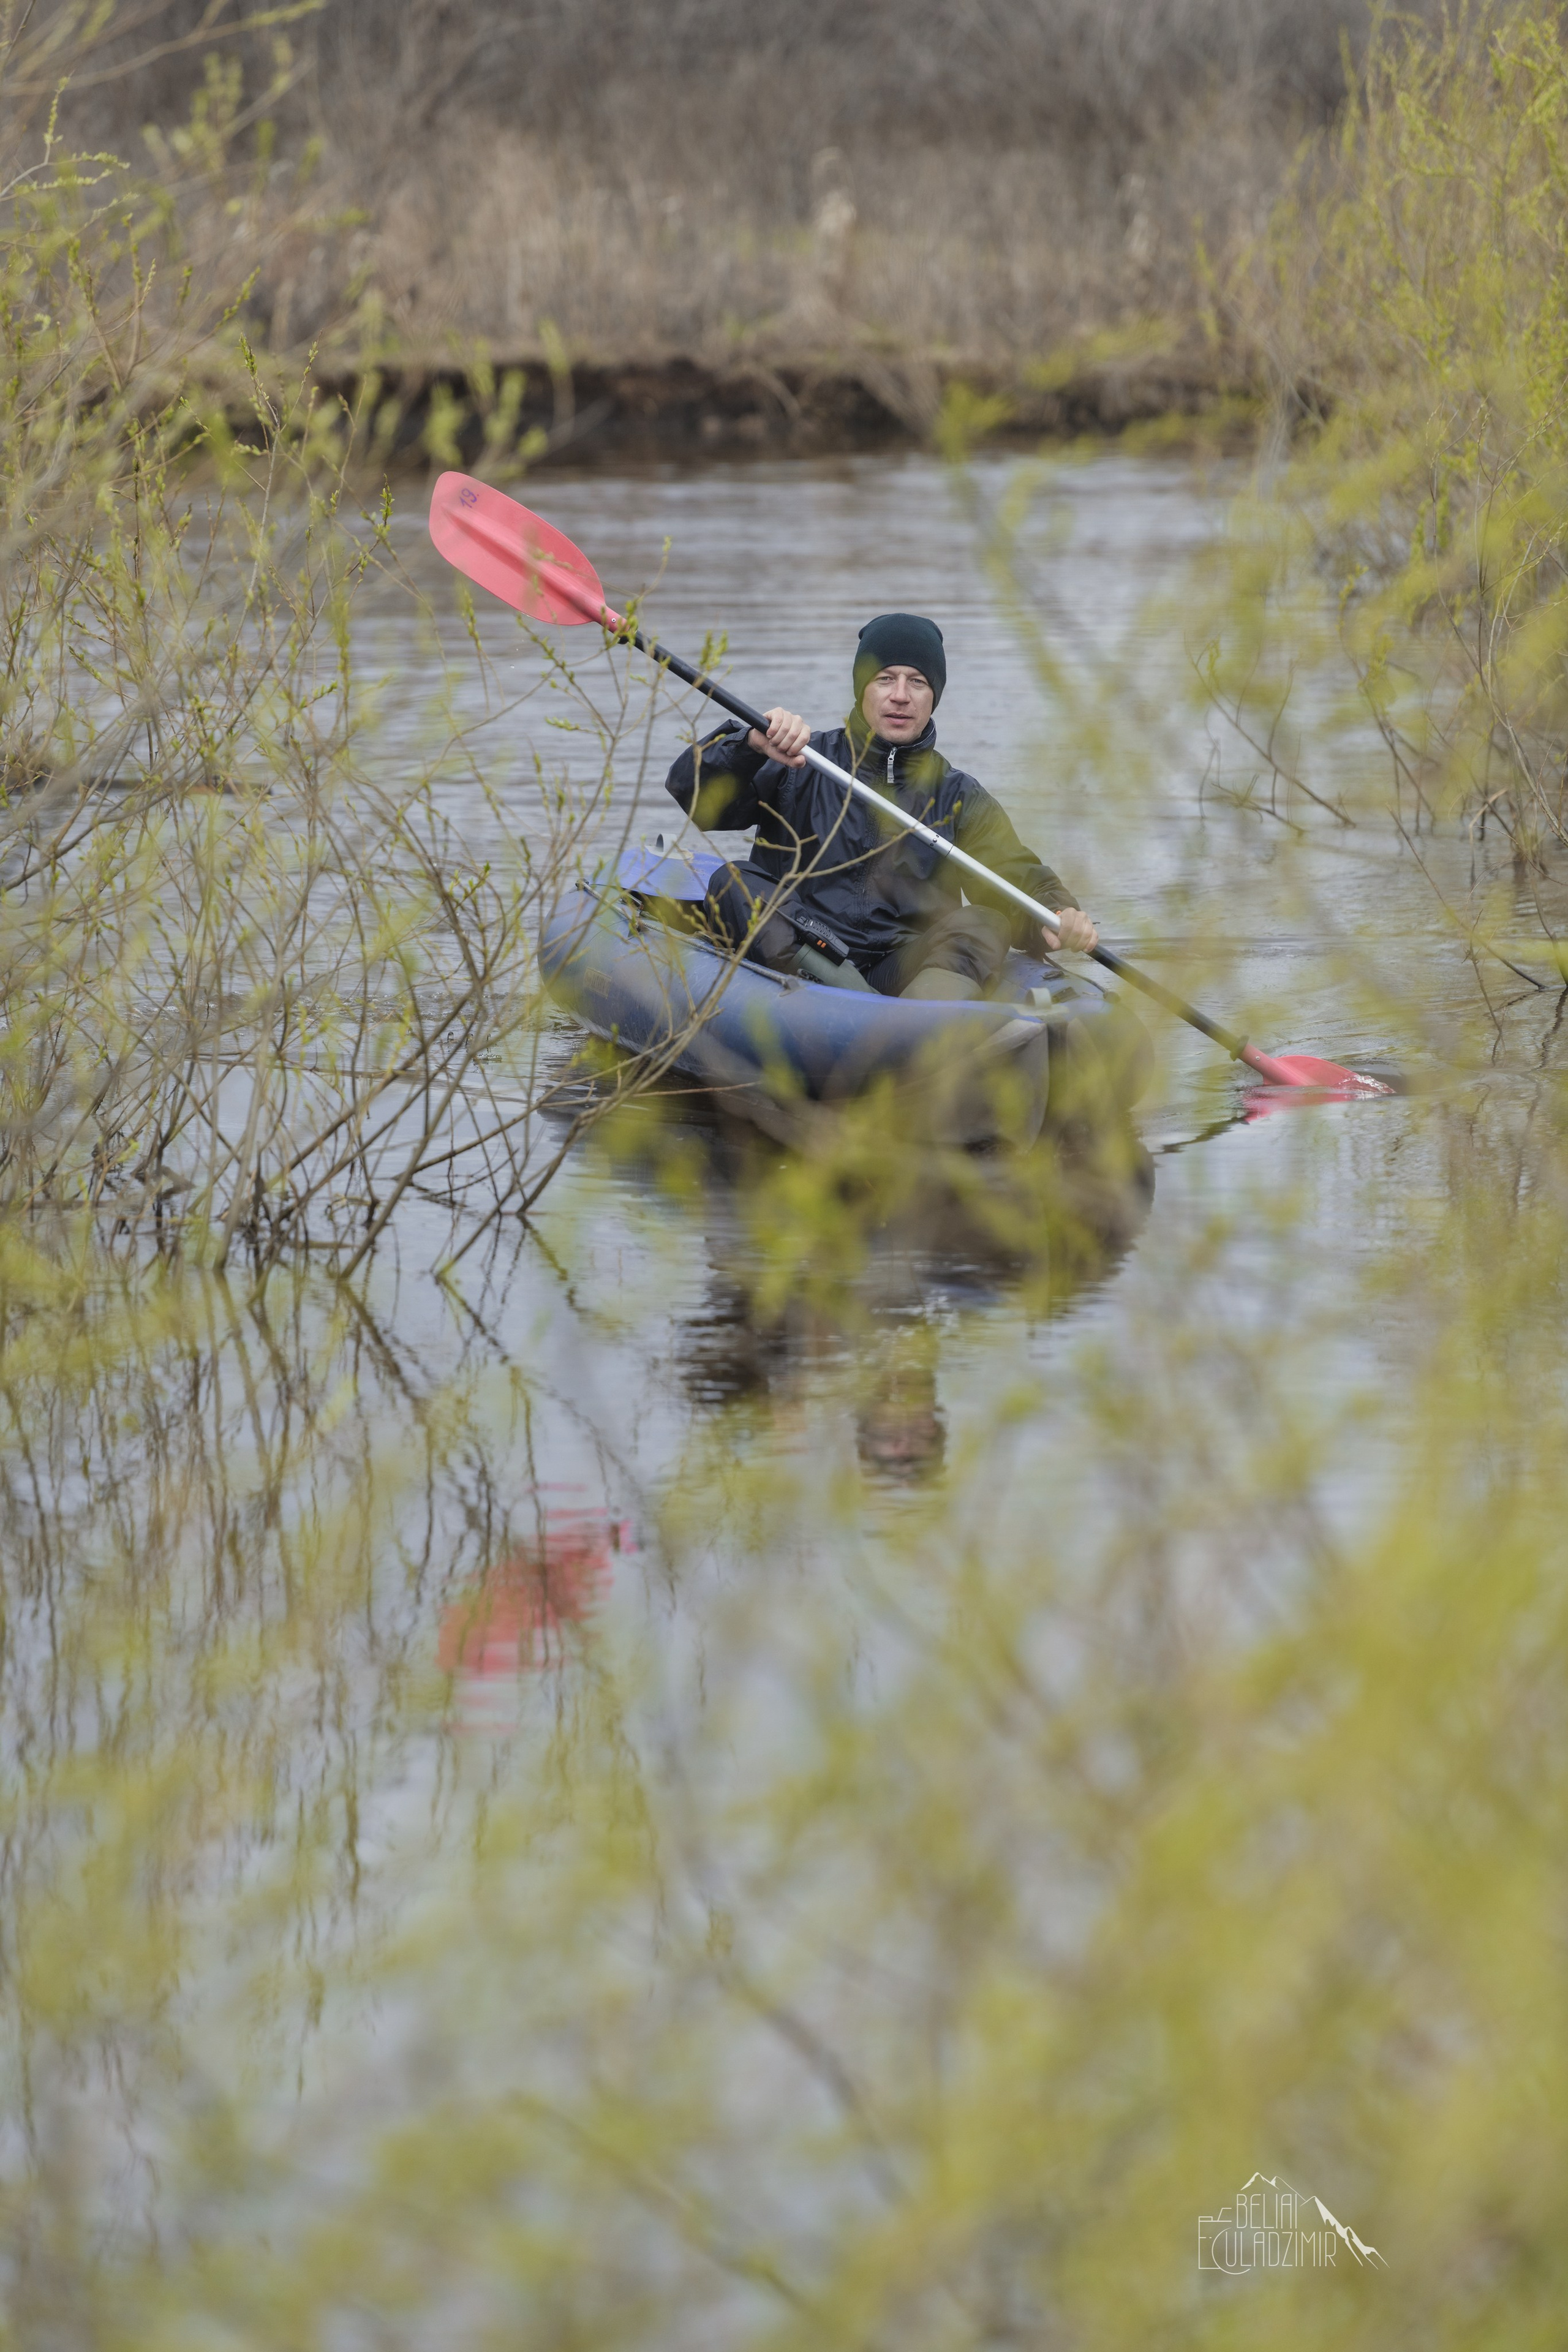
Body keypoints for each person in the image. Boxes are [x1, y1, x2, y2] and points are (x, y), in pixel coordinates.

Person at [663, 612, 1098, 1000]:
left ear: (933, 697)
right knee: (734, 881)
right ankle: (854, 1008)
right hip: (801, 957)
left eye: (918, 682)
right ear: (862, 689)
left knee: (985, 920)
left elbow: (1020, 884)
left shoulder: (959, 797)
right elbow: (696, 797)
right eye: (885, 679)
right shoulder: (799, 759)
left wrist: (1058, 913)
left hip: (905, 974)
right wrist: (749, 745)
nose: (901, 696)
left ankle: (927, 1034)